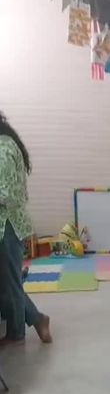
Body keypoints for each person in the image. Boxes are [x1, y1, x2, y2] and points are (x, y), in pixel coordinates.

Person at [0, 113, 51, 346]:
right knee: (8, 280)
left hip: (7, 225)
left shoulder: (3, 149)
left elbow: (7, 194)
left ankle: (18, 332)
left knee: (10, 282)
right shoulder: (6, 144)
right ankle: (36, 319)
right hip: (9, 224)